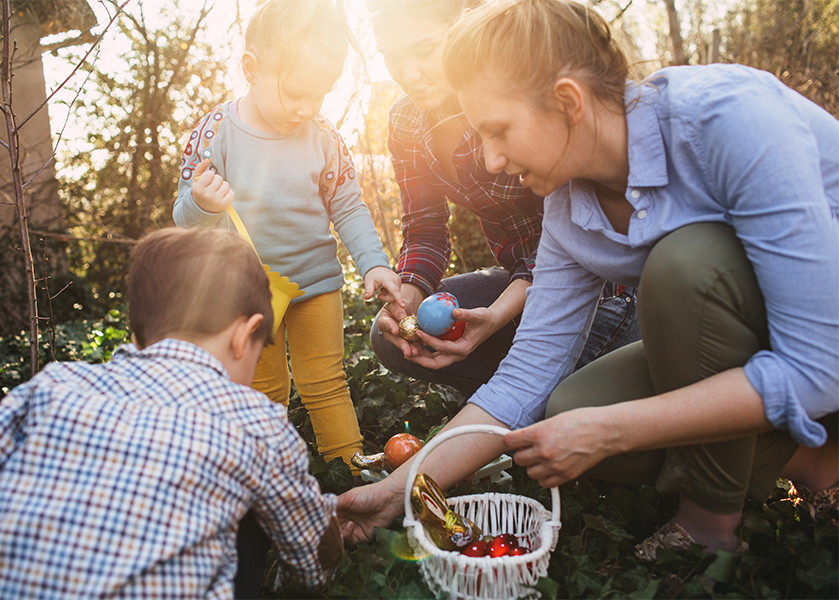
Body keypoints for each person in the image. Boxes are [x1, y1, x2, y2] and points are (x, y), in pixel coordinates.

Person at [338, 0, 839, 559]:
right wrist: (398, 491)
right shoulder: (568, 207)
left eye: (498, 131)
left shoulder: (727, 118)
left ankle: (709, 521)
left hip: (825, 339)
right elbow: (526, 376)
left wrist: (616, 429)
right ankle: (819, 460)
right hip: (765, 345)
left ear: (568, 101)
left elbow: (819, 365)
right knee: (572, 407)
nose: (491, 159)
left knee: (685, 266)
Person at [0, 227, 344, 598]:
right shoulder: (256, 420)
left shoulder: (56, 384)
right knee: (255, 504)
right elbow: (310, 555)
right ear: (244, 336)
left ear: (135, 334)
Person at [365, 0, 639, 397]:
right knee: (384, 338)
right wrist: (406, 302)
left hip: (594, 286)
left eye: (424, 50)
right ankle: (523, 393)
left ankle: (547, 389)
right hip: (519, 283)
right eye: (391, 56)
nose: (409, 74)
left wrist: (495, 317)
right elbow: (424, 230)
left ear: (465, 25)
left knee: (551, 393)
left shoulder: (518, 102)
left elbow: (567, 236)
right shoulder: (406, 123)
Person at [174, 0, 403, 470]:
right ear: (252, 69)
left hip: (316, 285)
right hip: (247, 293)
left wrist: (374, 262)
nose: (306, 108)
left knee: (326, 380)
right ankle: (266, 477)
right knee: (263, 389)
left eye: (319, 95)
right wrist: (203, 202)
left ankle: (347, 469)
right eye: (296, 92)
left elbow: (347, 205)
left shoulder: (323, 136)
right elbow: (184, 222)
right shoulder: (216, 132)